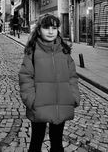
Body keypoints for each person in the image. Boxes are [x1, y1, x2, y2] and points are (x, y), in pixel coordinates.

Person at [19, 14, 80, 152]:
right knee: (36, 143)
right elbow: (25, 77)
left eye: (54, 27)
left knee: (57, 144)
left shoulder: (64, 51)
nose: (51, 31)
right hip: (39, 107)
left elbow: (72, 76)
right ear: (39, 30)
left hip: (61, 104)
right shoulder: (32, 51)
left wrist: (74, 97)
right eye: (47, 28)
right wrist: (32, 101)